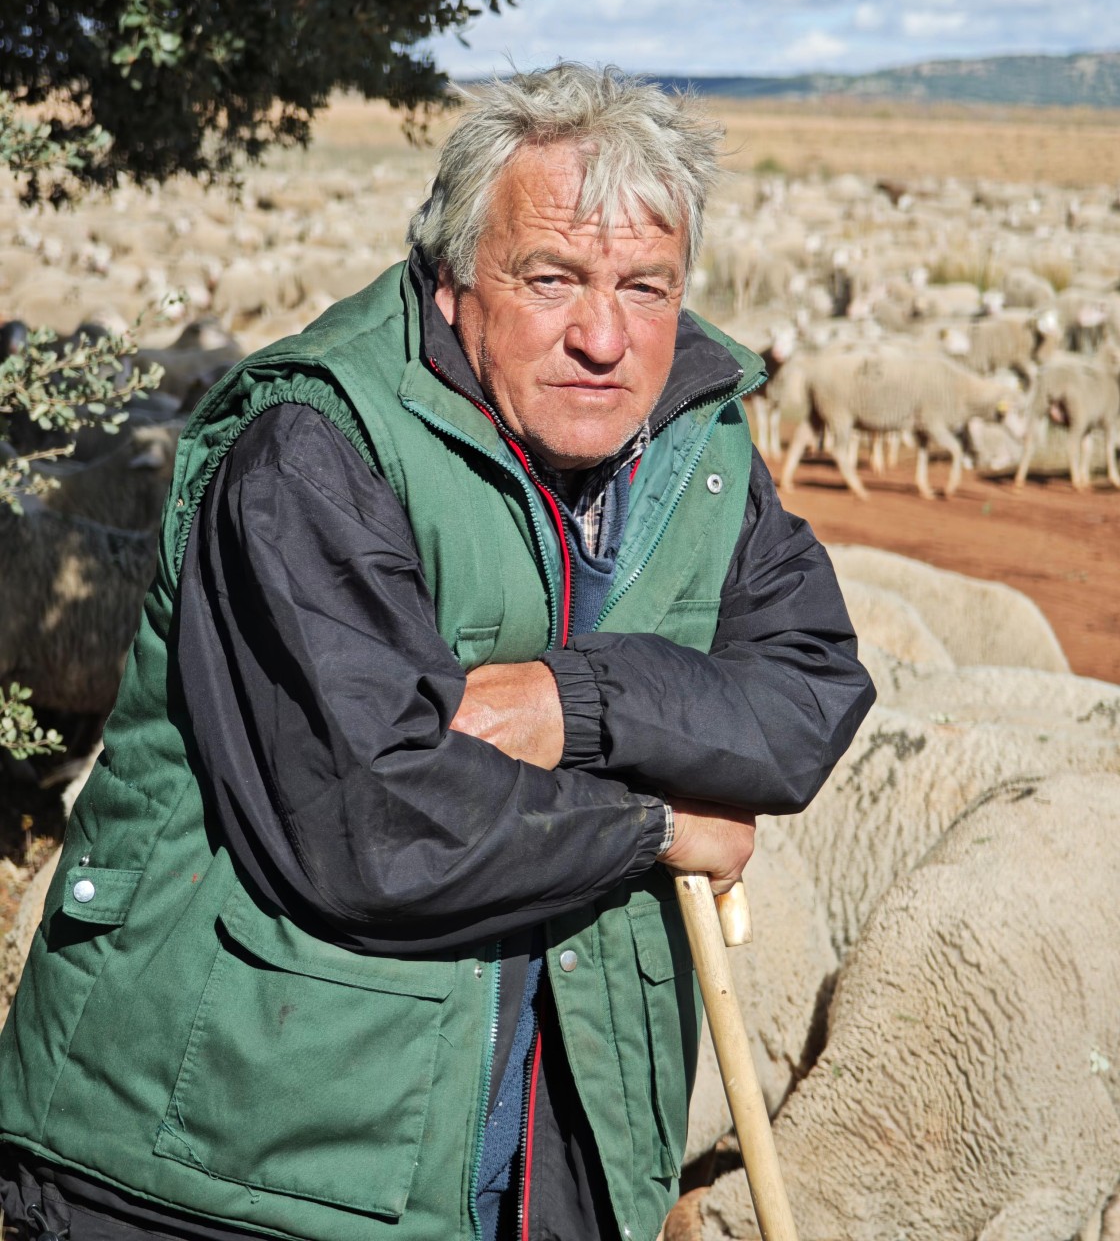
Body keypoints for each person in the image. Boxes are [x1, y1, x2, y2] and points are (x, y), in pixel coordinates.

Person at [0, 64, 875, 1241]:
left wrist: (578, 700)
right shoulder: (313, 448)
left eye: (646, 287)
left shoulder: (695, 448)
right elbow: (376, 817)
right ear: (453, 278)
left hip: (527, 1155)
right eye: (551, 278)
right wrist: (659, 823)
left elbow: (810, 690)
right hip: (232, 1163)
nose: (604, 336)